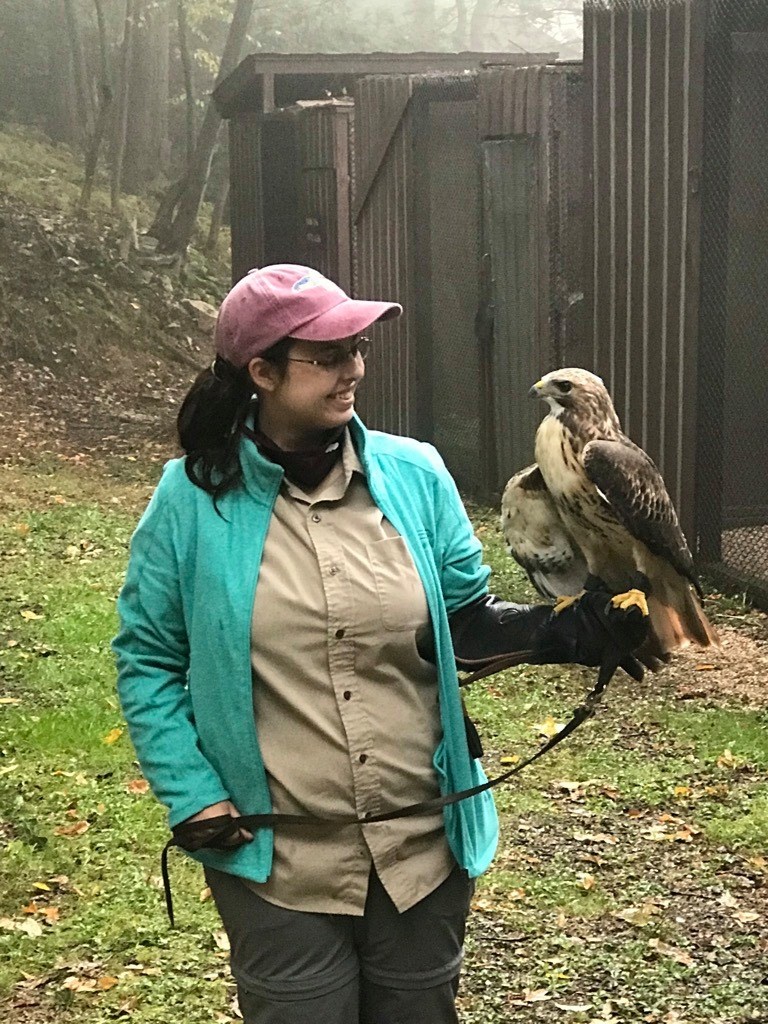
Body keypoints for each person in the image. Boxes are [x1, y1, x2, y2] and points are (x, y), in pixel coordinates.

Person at [113, 264, 647, 1024]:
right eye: (327, 357)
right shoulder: (192, 497)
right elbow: (149, 659)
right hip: (278, 856)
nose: (354, 368)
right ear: (261, 371)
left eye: (357, 348)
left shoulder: (415, 472)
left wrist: (559, 630)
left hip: (422, 845)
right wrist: (193, 795)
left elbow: (462, 621)